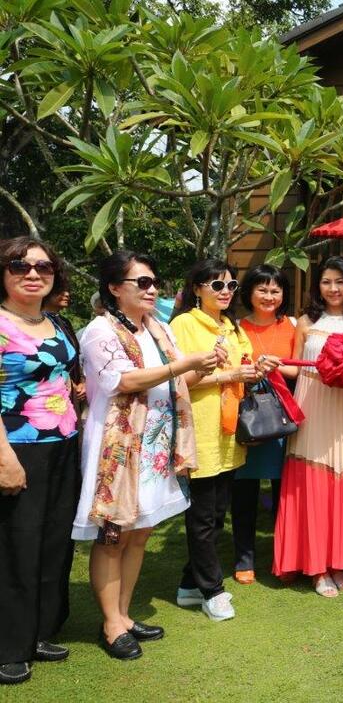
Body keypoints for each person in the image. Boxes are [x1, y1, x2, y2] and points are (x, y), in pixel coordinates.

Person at [73, 251, 220, 660]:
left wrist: (205, 366)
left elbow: (178, 380)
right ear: (115, 288)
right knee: (114, 534)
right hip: (117, 446)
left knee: (140, 534)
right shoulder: (99, 330)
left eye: (153, 281)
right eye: (142, 282)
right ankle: (110, 624)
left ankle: (123, 614)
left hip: (153, 444)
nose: (152, 288)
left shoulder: (156, 328)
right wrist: (185, 364)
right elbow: (123, 380)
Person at [274, 256, 343, 597]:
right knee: (313, 481)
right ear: (317, 286)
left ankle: (340, 561)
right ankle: (317, 566)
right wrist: (268, 363)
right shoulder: (306, 321)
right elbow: (294, 368)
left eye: (340, 281)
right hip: (314, 407)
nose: (333, 288)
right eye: (326, 281)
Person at [0, 237, 80, 686]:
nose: (33, 274)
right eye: (19, 265)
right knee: (16, 546)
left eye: (43, 267)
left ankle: (39, 632)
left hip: (64, 443)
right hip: (17, 446)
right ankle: (9, 645)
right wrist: (4, 458)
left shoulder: (55, 322)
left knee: (54, 542)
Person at [171, 259, 269, 621]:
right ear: (197, 289)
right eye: (217, 285)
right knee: (202, 516)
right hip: (199, 432)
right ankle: (213, 590)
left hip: (227, 432)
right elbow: (180, 379)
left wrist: (256, 370)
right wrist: (229, 373)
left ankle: (189, 586)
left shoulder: (230, 326)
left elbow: (241, 370)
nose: (226, 292)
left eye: (230, 286)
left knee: (214, 514)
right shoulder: (184, 324)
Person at [233, 264, 297, 585]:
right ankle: (244, 558)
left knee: (284, 491)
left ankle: (283, 556)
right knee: (244, 490)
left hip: (283, 415)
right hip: (247, 414)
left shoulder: (293, 326)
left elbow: (298, 372)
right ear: (249, 292)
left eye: (275, 290)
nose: (269, 296)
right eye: (262, 289)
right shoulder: (236, 327)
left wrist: (275, 366)